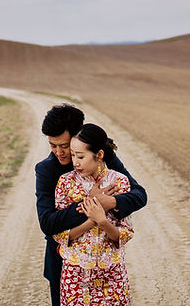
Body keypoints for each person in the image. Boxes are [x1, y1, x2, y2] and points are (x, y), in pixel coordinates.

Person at [35, 104, 147, 306]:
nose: (59, 152)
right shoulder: (46, 170)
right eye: (53, 145)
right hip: (63, 265)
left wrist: (110, 202)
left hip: (106, 270)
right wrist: (90, 202)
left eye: (64, 146)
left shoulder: (100, 155)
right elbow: (48, 223)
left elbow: (139, 195)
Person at [54, 123, 133, 305]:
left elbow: (124, 235)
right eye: (73, 155)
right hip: (75, 275)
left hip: (112, 274)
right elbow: (60, 234)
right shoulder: (65, 183)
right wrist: (92, 219)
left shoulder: (120, 182)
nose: (75, 162)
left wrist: (103, 222)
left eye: (80, 156)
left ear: (99, 155)